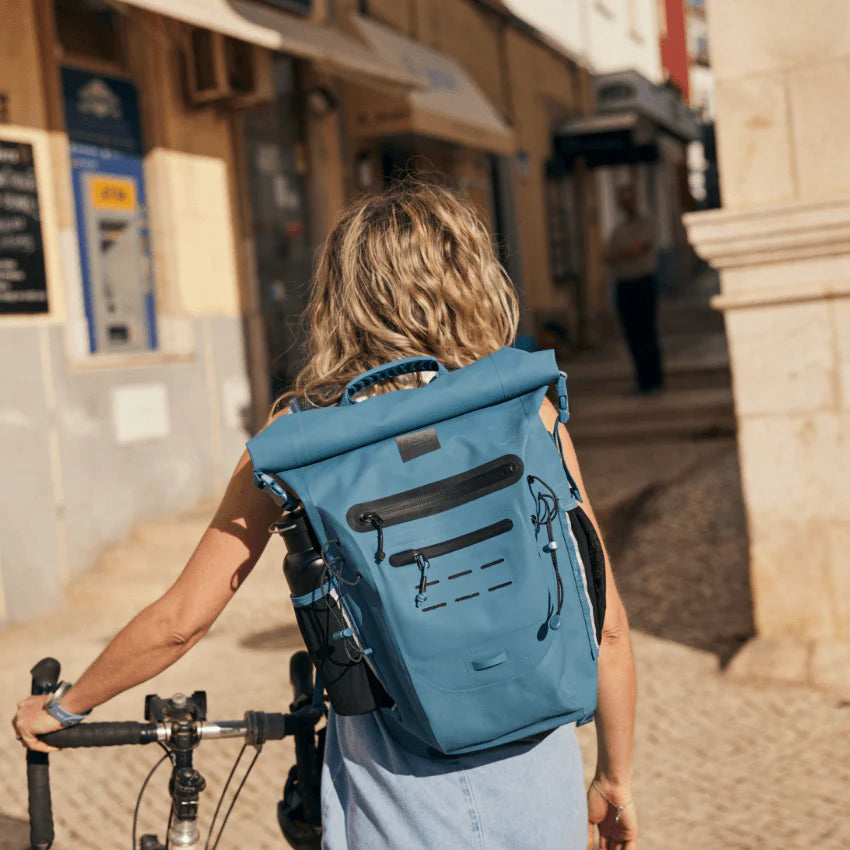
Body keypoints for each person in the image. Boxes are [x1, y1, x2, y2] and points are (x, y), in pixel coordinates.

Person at [14, 182, 638, 850]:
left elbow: (180, 622)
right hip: (537, 779)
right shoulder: (527, 411)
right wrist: (614, 775)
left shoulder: (304, 439)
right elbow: (607, 625)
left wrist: (64, 705)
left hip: (401, 793)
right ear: (471, 278)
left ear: (341, 296)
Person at [605, 183, 664, 394]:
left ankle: (654, 381)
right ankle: (642, 381)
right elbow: (608, 255)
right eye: (622, 199)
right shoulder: (618, 230)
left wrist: (623, 253)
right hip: (624, 286)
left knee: (647, 332)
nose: (626, 203)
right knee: (632, 335)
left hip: (643, 283)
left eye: (629, 198)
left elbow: (637, 249)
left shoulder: (646, 224)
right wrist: (626, 252)